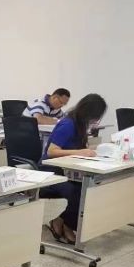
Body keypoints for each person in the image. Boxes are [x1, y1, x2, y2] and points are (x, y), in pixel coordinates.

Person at [40, 93, 108, 244]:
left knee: (89, 187)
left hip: (69, 170)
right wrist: (80, 152)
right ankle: (66, 224)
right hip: (51, 171)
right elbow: (51, 152)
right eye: (95, 117)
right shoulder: (68, 124)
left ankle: (63, 222)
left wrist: (95, 149)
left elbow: (79, 148)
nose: (96, 121)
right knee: (76, 191)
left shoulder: (80, 125)